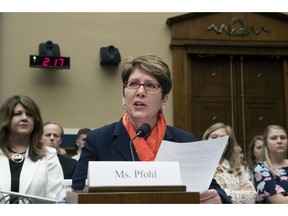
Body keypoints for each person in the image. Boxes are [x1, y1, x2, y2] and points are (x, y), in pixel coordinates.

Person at [72, 53, 231, 204]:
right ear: (123, 95)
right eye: (133, 84)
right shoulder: (98, 140)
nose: (140, 92)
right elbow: (78, 192)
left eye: (150, 85)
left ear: (164, 100)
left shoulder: (184, 141)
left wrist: (218, 198)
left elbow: (213, 190)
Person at [0, 95, 63, 203]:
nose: (24, 118)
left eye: (30, 115)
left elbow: (54, 200)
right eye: (17, 114)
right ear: (6, 118)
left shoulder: (49, 155)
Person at [202, 122, 257, 204]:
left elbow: (252, 196)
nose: (218, 141)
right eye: (214, 137)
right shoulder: (199, 165)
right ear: (206, 140)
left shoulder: (237, 166)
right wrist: (238, 192)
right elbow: (203, 198)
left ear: (228, 144)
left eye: (223, 139)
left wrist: (221, 195)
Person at [253, 125, 288, 203]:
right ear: (266, 144)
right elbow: (280, 202)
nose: (279, 141)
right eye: (273, 138)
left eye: (283, 137)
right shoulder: (261, 169)